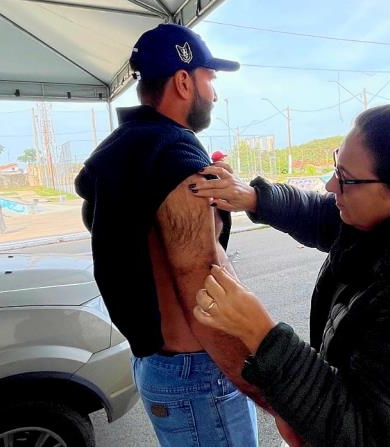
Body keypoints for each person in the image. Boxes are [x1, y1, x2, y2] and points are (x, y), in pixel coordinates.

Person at [190, 103, 390, 446]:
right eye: (335, 167)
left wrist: (261, 334)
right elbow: (321, 214)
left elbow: (368, 434)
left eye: (344, 178)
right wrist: (255, 198)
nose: (331, 186)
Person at [75, 23, 272, 446]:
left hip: (157, 363)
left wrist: (215, 212)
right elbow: (201, 282)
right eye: (209, 80)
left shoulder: (120, 150)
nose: (214, 94)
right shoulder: (173, 153)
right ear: (184, 81)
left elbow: (143, 244)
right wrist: (264, 392)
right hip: (197, 371)